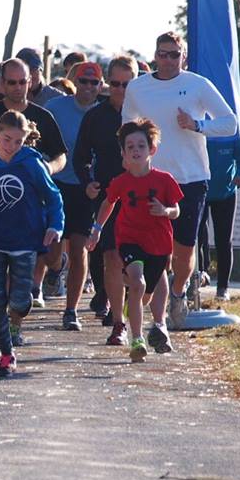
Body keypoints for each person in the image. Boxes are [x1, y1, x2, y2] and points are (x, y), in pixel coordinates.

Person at [121, 31, 237, 329]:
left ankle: (177, 292)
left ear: (183, 57)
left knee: (185, 249)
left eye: (175, 54)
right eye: (163, 53)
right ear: (155, 56)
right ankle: (144, 300)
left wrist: (197, 125)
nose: (169, 60)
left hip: (190, 177)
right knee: (151, 247)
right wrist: (131, 162)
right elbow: (126, 128)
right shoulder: (138, 88)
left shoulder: (197, 85)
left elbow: (229, 123)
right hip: (150, 178)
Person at [0, 57, 66, 310]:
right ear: (2, 83)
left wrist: (47, 169)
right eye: (12, 82)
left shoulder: (43, 116)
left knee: (49, 255)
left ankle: (50, 273)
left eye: (22, 82)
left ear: (30, 82)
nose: (18, 87)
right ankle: (1, 309)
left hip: (31, 203)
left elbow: (61, 156)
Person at [0, 110, 64, 377]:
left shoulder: (32, 164)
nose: (11, 147)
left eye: (18, 142)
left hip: (25, 239)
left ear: (26, 140)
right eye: (6, 139)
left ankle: (18, 316)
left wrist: (55, 225)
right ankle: (6, 355)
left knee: (20, 301)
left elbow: (54, 198)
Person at [87, 118, 183, 362]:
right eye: (130, 147)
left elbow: (176, 210)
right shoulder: (120, 182)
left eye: (141, 145)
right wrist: (97, 229)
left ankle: (151, 319)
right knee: (137, 284)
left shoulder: (164, 180)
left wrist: (165, 211)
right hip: (130, 239)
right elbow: (108, 203)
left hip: (159, 243)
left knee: (147, 291)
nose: (136, 151)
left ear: (152, 150)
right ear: (123, 153)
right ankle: (137, 339)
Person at [72, 55, 139, 345]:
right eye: (115, 84)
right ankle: (118, 323)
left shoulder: (144, 115)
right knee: (111, 257)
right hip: (108, 197)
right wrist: (88, 183)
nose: (121, 90)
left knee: (138, 266)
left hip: (141, 197)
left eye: (127, 84)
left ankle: (135, 309)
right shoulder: (95, 116)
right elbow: (80, 157)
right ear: (106, 84)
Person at [39, 61, 103, 324]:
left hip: (86, 188)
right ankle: (56, 267)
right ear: (74, 82)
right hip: (56, 184)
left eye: (94, 83)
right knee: (52, 250)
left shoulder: (103, 113)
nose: (88, 87)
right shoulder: (55, 108)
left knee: (79, 248)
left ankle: (71, 310)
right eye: (83, 81)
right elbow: (40, 142)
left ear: (100, 86)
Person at [200, 134, 240, 301]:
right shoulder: (199, 130)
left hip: (226, 193)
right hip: (199, 191)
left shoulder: (233, 133)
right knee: (197, 237)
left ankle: (222, 288)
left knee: (224, 240)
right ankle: (201, 274)